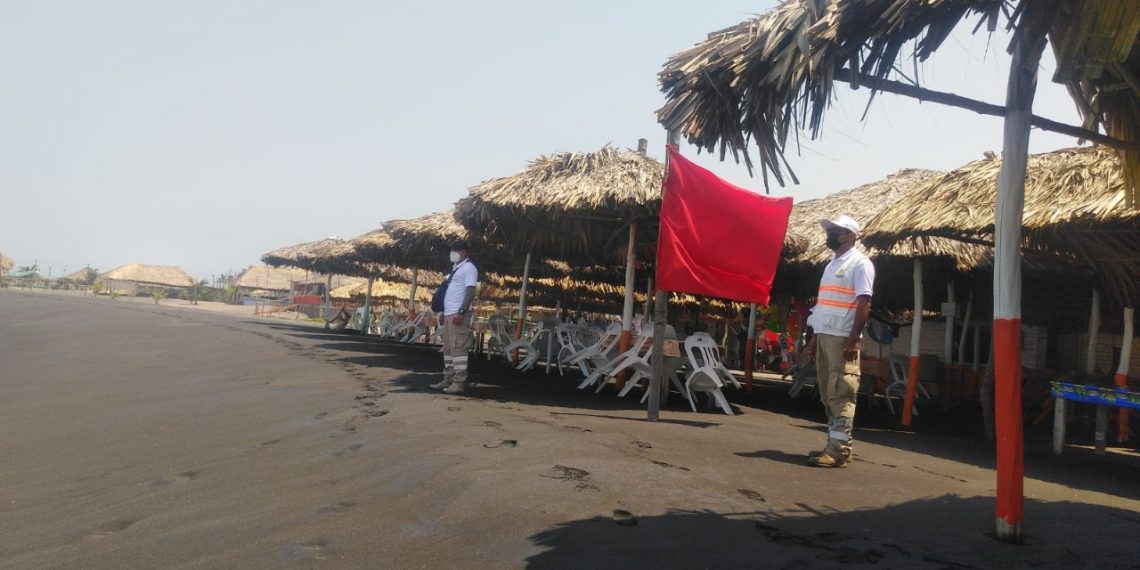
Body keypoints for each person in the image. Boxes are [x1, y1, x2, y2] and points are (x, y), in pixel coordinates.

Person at [804, 215, 875, 468]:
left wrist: (853, 339)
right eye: (831, 230)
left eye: (836, 230)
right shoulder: (832, 264)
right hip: (826, 334)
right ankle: (837, 446)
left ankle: (837, 450)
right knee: (827, 392)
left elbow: (864, 303)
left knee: (841, 392)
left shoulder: (860, 264)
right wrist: (815, 337)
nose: (830, 233)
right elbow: (824, 305)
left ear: (850, 236)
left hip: (843, 337)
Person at [430, 241, 479, 394]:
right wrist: (445, 312)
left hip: (458, 314)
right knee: (448, 348)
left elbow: (471, 291)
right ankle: (449, 377)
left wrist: (462, 311)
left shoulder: (469, 268)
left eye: (454, 250)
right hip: (449, 313)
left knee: (458, 348)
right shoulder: (455, 269)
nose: (452, 253)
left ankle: (459, 381)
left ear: (463, 252)